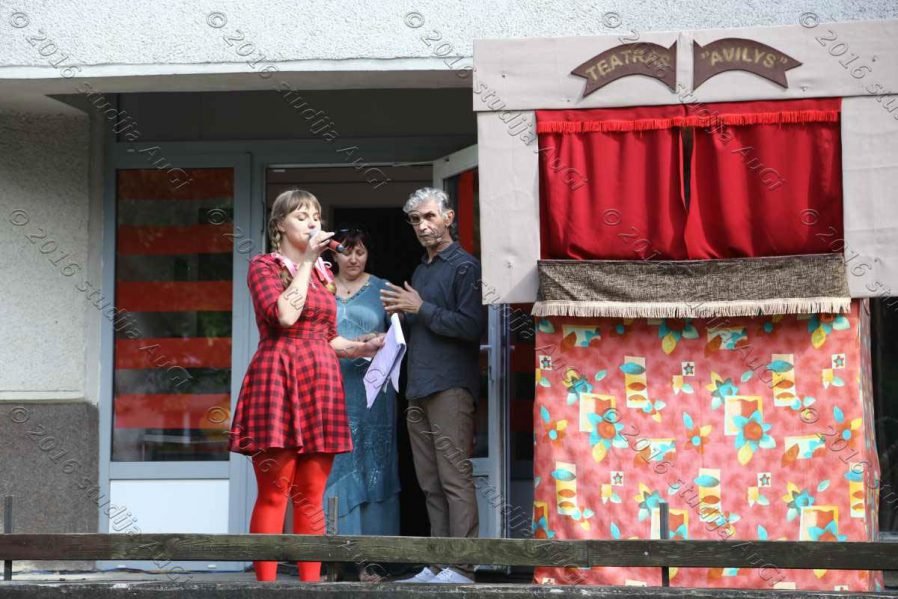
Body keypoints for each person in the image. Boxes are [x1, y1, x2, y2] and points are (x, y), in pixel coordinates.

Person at [228, 189, 384, 583]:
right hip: (278, 380)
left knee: (312, 495)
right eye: (302, 216)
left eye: (316, 215)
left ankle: (311, 586)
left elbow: (328, 337)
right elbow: (285, 315)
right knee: (274, 493)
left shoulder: (323, 274)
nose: (313, 222)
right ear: (279, 225)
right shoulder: (264, 266)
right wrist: (309, 260)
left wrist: (363, 347)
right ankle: (266, 587)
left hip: (321, 382)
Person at [380, 187, 486, 584]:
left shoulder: (465, 267)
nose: (422, 226)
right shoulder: (423, 270)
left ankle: (463, 567)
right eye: (415, 220)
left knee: (454, 479)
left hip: (451, 386)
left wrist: (420, 308)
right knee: (430, 483)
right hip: (418, 386)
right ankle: (439, 564)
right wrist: (396, 323)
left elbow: (470, 326)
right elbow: (421, 326)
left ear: (449, 218)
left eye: (429, 216)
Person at [323, 227, 401, 580]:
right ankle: (332, 560)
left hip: (373, 392)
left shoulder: (384, 289)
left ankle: (372, 560)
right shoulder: (320, 285)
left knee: (373, 465)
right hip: (329, 388)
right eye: (346, 251)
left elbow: (402, 336)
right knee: (333, 467)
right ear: (333, 254)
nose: (353, 259)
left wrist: (383, 337)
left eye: (361, 252)